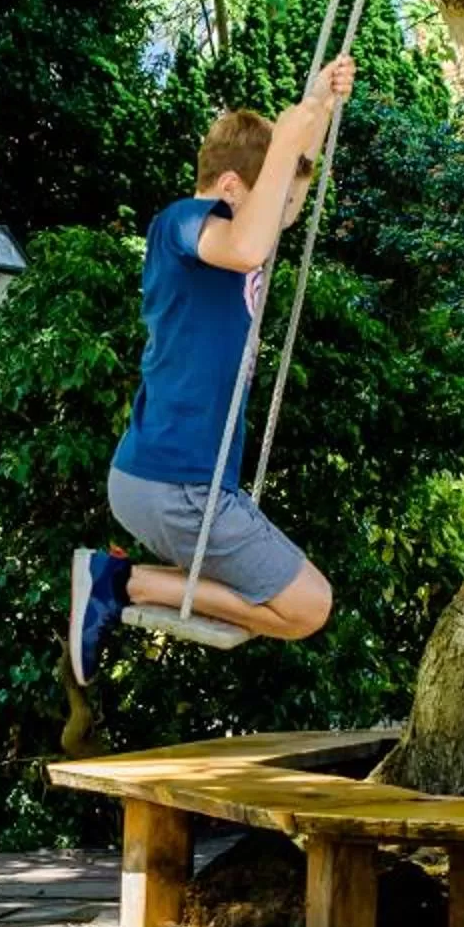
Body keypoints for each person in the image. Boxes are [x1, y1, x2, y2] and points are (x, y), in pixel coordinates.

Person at [70, 57, 354, 682]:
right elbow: (247, 243)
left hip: (182, 482)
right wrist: (289, 134)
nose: (284, 223)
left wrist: (316, 109)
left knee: (284, 612)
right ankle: (124, 584)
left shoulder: (224, 233)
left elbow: (255, 232)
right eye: (280, 206)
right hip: (175, 482)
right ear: (230, 189)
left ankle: (122, 582)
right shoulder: (184, 223)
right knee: (307, 606)